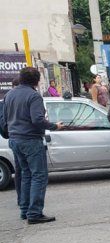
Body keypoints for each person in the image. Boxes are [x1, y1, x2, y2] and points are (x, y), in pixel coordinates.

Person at [2, 67, 64, 224]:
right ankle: (35, 213)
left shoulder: (10, 94)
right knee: (39, 175)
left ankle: (25, 210)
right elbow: (37, 120)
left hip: (15, 139)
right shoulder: (33, 96)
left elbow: (6, 118)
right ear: (36, 81)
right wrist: (55, 126)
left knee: (26, 175)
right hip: (30, 140)